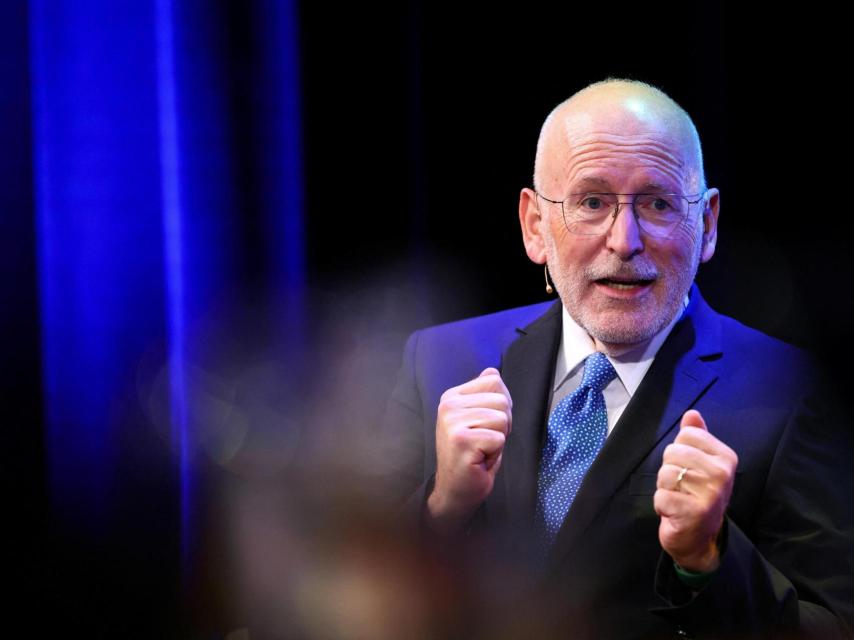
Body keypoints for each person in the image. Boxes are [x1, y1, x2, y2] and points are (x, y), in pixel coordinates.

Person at [381, 79, 853, 639]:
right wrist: (440, 508)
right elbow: (340, 599)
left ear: (706, 224)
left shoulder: (790, 391)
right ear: (535, 225)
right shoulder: (439, 360)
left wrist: (708, 561)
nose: (624, 240)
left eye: (656, 203)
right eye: (592, 202)